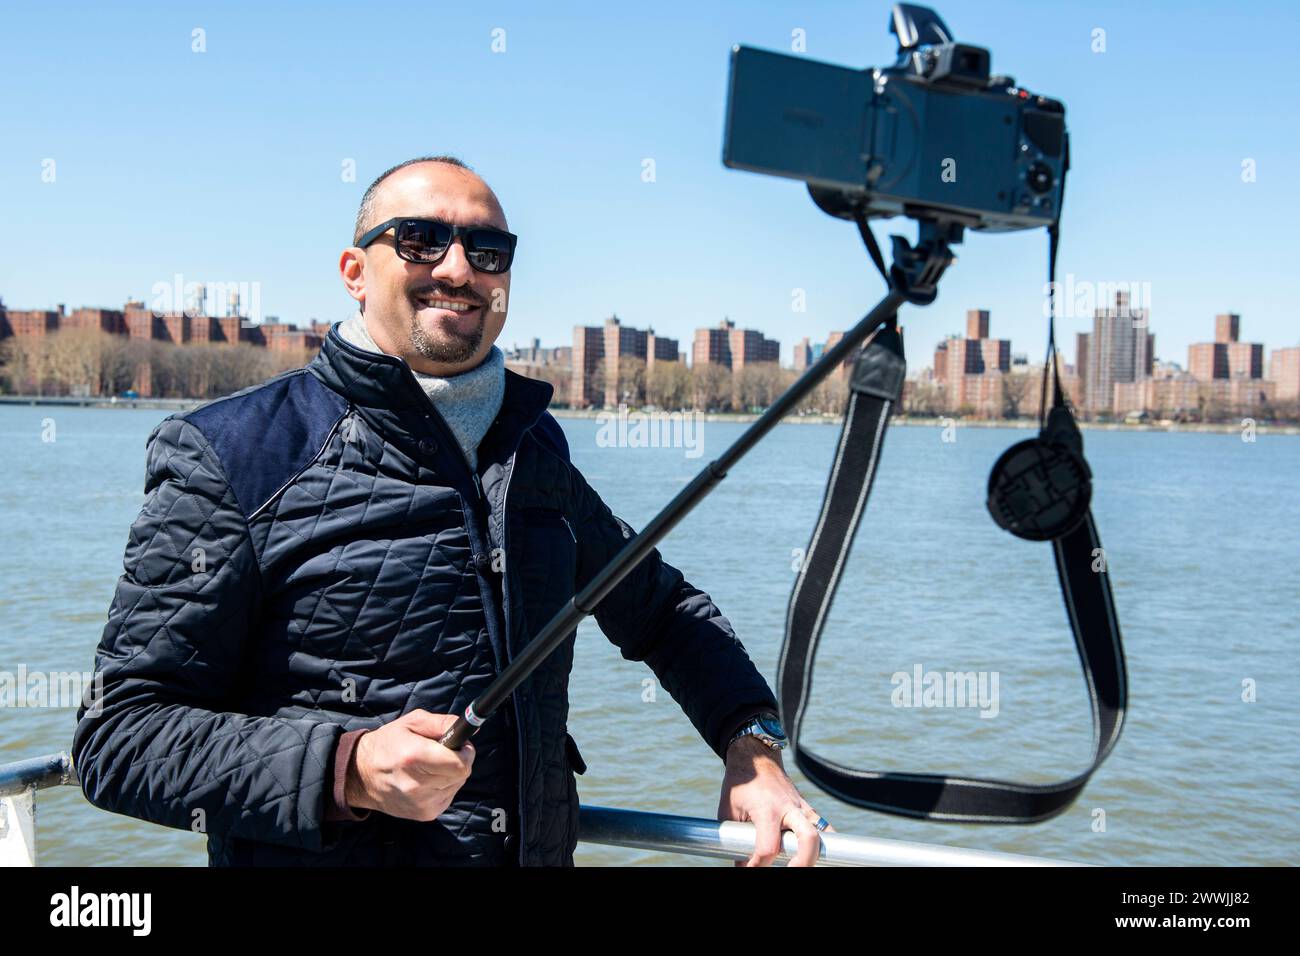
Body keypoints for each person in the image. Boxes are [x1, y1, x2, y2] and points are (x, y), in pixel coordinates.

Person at [73, 155, 828, 866]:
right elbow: (119, 736)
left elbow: (662, 611)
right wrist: (347, 768)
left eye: (488, 249)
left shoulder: (532, 446)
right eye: (421, 240)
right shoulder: (232, 452)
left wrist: (750, 745)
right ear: (354, 273)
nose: (458, 270)